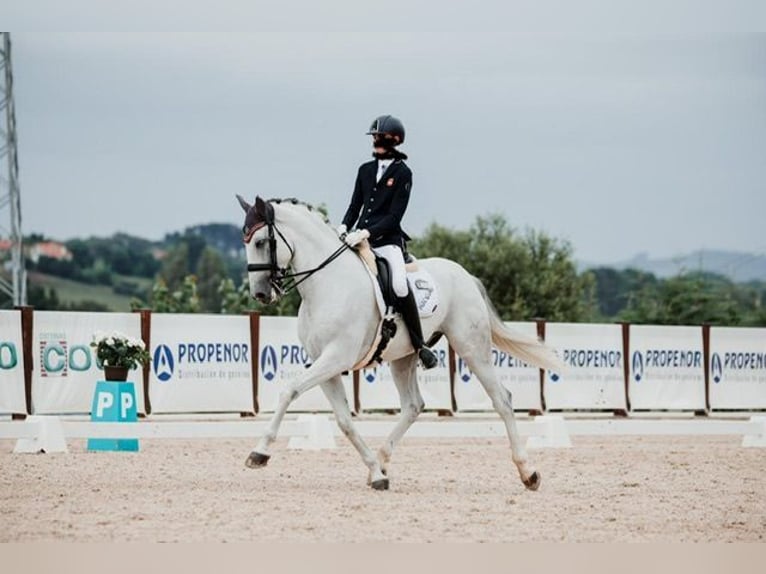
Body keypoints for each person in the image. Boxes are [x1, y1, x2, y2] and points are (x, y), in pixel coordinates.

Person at [337, 115, 438, 370]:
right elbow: (354, 206)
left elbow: (394, 217)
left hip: (387, 241)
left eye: (380, 138)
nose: (376, 142)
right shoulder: (365, 170)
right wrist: (343, 226)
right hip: (358, 239)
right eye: (374, 138)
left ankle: (420, 344)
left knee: (399, 285)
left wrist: (367, 233)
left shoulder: (403, 173)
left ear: (394, 141)